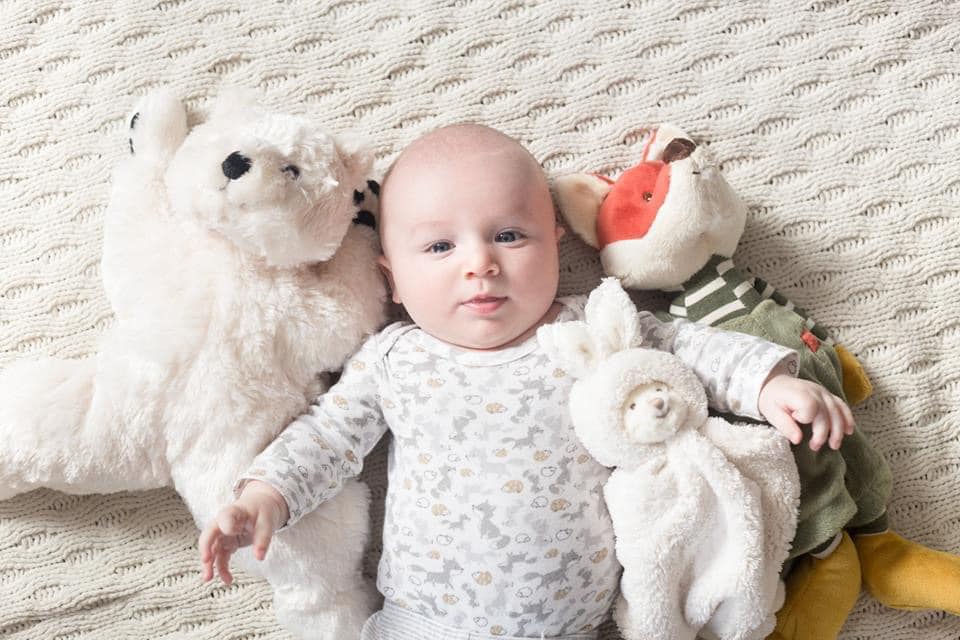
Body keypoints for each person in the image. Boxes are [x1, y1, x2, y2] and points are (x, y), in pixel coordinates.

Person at [198, 124, 855, 640]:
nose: (480, 264)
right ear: (392, 278)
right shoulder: (396, 358)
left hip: (572, 627)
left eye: (509, 235)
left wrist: (767, 383)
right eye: (440, 247)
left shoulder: (592, 325)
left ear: (555, 241)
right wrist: (265, 496)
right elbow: (328, 438)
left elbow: (685, 348)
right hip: (423, 625)